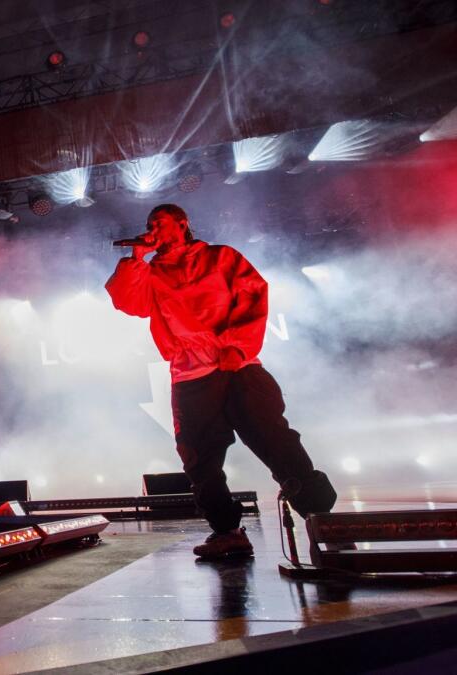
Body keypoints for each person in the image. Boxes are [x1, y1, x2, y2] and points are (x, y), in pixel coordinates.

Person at [105, 204, 336, 560]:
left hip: (235, 365)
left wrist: (237, 346)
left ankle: (322, 520)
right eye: (150, 224)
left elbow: (252, 292)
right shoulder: (151, 271)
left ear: (183, 225)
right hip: (190, 374)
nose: (154, 228)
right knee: (198, 458)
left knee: (276, 441)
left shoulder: (220, 257)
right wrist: (136, 258)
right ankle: (227, 531)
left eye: (161, 223)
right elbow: (128, 302)